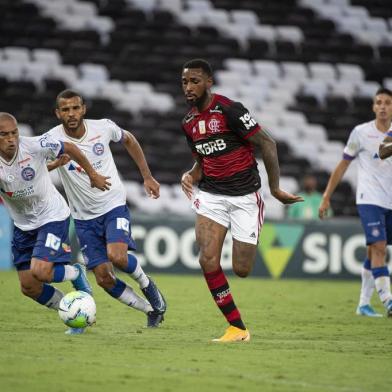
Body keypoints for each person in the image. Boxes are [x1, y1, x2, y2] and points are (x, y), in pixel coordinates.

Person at [180, 59, 303, 342]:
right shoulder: (188, 123)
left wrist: (275, 189)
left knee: (242, 269)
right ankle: (237, 328)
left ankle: (237, 325)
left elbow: (267, 143)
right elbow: (201, 160)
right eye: (185, 82)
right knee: (207, 259)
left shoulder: (229, 109)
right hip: (211, 195)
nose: (189, 87)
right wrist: (191, 174)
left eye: (195, 81)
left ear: (209, 82)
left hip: (245, 196)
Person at [45, 89, 167, 328]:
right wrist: (55, 164)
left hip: (112, 205)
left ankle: (147, 285)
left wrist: (147, 177)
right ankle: (151, 310)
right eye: (66, 109)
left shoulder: (103, 127)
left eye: (75, 108)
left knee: (117, 256)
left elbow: (129, 140)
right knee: (104, 278)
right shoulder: (51, 139)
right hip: (82, 218)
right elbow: (35, 167)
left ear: (84, 109)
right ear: (58, 113)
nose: (71, 113)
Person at [0, 112, 110, 335]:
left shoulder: (33, 145)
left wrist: (92, 174)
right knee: (29, 287)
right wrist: (53, 166)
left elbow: (70, 147)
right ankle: (75, 312)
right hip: (23, 225)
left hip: (52, 216)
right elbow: (23, 176)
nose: (11, 139)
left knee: (40, 271)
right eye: (4, 135)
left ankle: (75, 274)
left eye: (14, 133)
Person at [319, 87, 392, 318]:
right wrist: (326, 195)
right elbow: (343, 164)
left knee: (374, 250)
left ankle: (363, 304)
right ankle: (389, 302)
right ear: (373, 106)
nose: (382, 106)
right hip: (368, 199)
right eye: (378, 102)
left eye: (387, 103)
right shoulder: (360, 132)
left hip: (390, 201)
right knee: (379, 246)